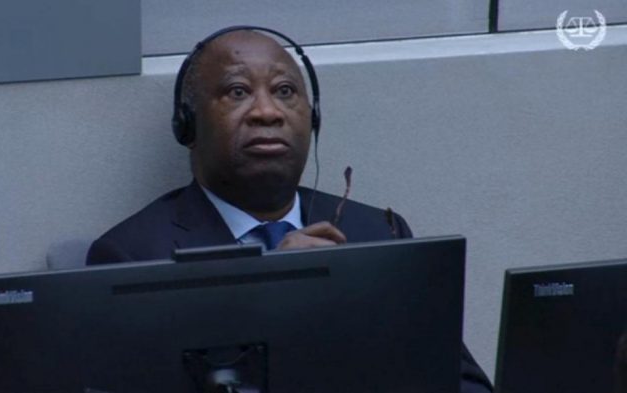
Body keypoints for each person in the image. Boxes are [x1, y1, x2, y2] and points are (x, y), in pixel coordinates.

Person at [87, 26, 493, 392]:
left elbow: (465, 385)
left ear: (312, 118)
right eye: (238, 92)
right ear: (188, 125)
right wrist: (267, 297)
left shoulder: (379, 232)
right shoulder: (132, 256)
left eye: (284, 91)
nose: (268, 112)